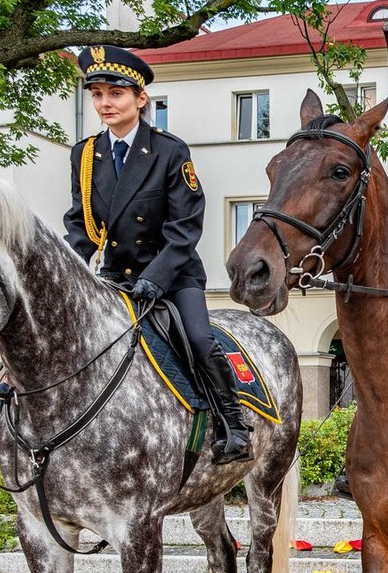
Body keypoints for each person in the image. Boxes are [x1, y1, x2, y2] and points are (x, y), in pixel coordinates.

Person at [63, 45, 251, 464]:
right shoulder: (86, 155)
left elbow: (185, 226)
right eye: (97, 94)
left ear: (140, 98)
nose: (105, 103)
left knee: (199, 339)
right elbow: (81, 223)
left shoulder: (169, 150)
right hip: (115, 276)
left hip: (173, 274)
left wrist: (156, 277)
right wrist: (70, 273)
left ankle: (234, 425)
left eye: (116, 94)